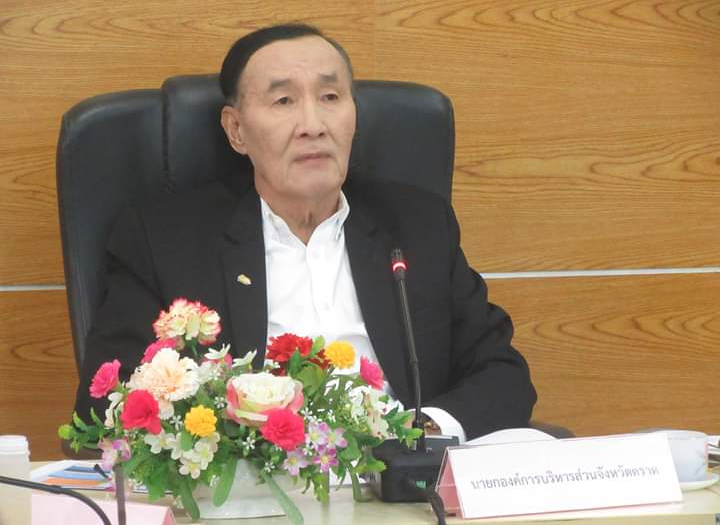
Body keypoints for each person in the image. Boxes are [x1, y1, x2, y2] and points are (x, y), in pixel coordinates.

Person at [74, 23, 536, 441]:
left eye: (330, 98)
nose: (313, 126)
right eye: (284, 101)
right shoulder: (164, 240)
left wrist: (422, 434)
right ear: (236, 130)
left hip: (405, 484)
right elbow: (108, 403)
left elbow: (502, 374)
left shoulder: (418, 225)